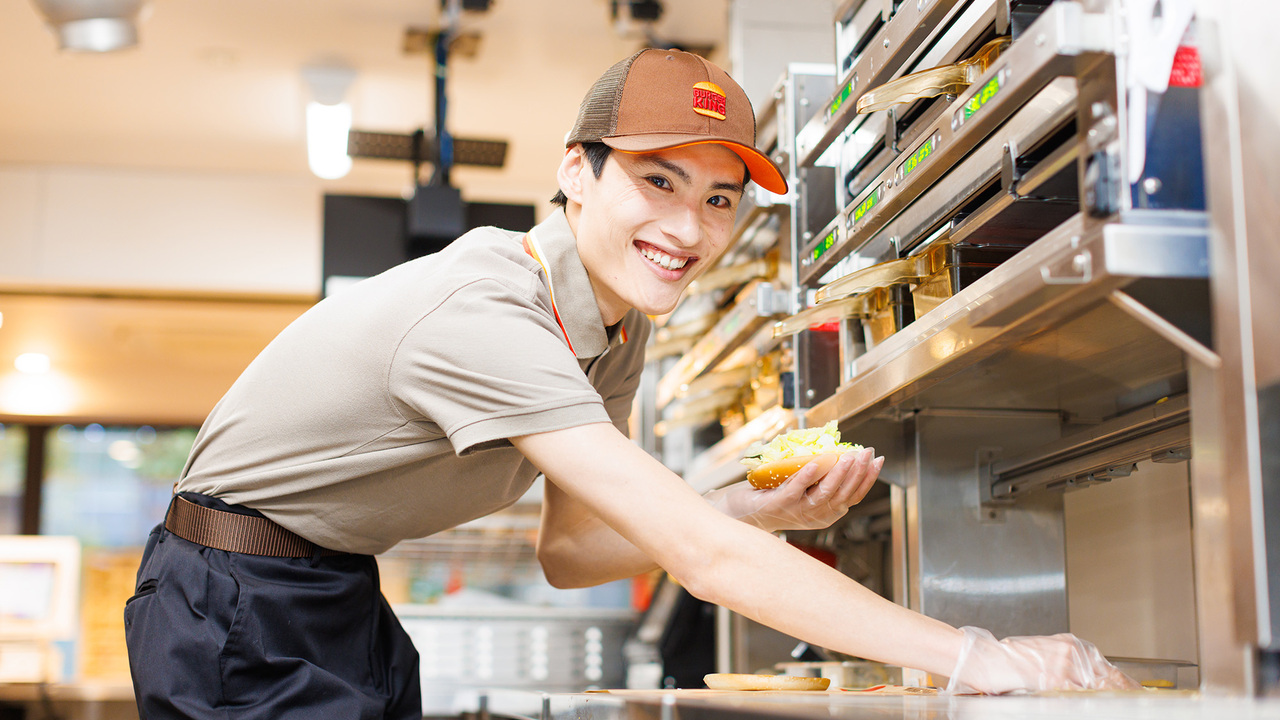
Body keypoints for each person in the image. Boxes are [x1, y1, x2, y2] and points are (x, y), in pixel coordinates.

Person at [124, 48, 1135, 719]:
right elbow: (697, 558)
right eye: (658, 181)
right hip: (230, 597)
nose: (689, 231)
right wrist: (975, 656)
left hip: (333, 588)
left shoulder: (611, 326)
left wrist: (748, 503)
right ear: (576, 171)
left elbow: (569, 550)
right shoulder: (488, 308)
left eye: (719, 199)